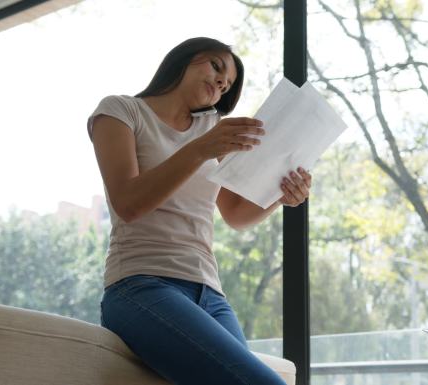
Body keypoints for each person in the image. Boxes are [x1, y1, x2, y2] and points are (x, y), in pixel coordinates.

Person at [87, 37, 312, 385]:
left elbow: (235, 214)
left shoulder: (210, 131)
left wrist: (279, 197)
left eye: (228, 84)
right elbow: (128, 204)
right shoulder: (121, 111)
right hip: (141, 284)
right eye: (216, 67)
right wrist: (199, 149)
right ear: (182, 60)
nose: (222, 82)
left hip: (211, 294)